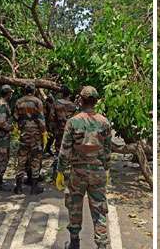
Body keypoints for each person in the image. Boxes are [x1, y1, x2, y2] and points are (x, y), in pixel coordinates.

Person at [56, 86, 112, 249]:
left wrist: (60, 170)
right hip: (97, 172)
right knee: (99, 209)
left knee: (74, 205)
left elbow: (65, 150)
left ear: (80, 100)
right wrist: (106, 168)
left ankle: (74, 242)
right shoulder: (104, 122)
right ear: (96, 101)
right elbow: (107, 150)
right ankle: (102, 244)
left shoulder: (73, 122)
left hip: (77, 173)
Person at [13, 83, 47, 194]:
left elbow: (15, 117)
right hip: (36, 135)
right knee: (35, 159)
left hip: (24, 134)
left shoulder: (19, 102)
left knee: (21, 159)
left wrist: (22, 125)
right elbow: (41, 120)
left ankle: (18, 187)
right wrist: (44, 132)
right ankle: (34, 187)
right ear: (34, 90)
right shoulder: (37, 102)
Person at [50, 86, 78, 178]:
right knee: (71, 151)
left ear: (61, 94)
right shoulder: (73, 106)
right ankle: (71, 174)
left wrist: (53, 129)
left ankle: (56, 174)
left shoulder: (56, 104)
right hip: (70, 132)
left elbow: (51, 117)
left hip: (59, 131)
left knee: (58, 151)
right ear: (69, 94)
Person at [0, 85, 14, 191]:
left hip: (2, 135)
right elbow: (1, 122)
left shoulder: (0, 102)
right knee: (2, 158)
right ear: (7, 93)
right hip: (2, 136)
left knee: (2, 157)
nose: (11, 95)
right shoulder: (2, 105)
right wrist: (10, 128)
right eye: (10, 93)